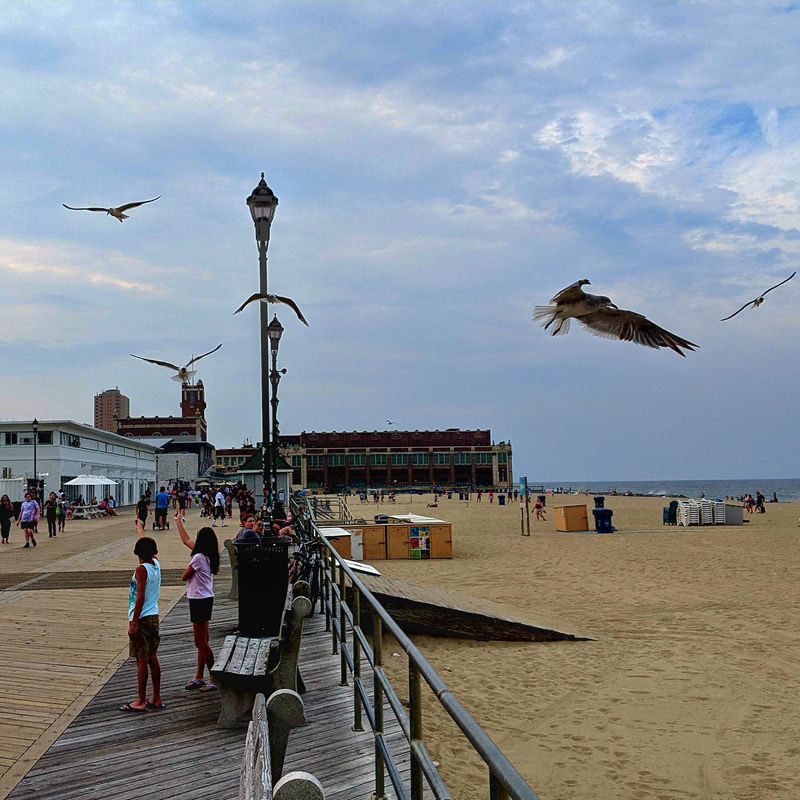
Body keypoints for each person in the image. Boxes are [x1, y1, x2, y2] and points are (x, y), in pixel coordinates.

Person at [175, 511, 219, 692]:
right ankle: (199, 676)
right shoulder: (209, 555)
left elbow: (184, 577)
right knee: (204, 639)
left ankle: (215, 677)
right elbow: (186, 540)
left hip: (198, 600)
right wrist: (178, 522)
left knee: (200, 642)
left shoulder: (198, 558)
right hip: (206, 598)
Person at [122, 519, 163, 712]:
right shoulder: (156, 564)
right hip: (154, 616)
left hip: (142, 617)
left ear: (139, 554)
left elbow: (140, 597)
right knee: (153, 657)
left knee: (141, 659)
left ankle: (140, 700)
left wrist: (134, 623)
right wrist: (140, 529)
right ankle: (156, 697)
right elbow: (146, 544)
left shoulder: (141, 570)